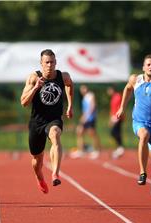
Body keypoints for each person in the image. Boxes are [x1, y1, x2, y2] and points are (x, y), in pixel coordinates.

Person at [116, 54, 151, 195]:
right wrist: (122, 107)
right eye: (148, 64)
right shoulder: (135, 79)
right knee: (144, 135)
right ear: (143, 67)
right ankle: (142, 172)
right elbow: (128, 89)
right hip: (139, 122)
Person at [20, 49, 74, 194]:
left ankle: (55, 173)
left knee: (55, 135)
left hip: (54, 119)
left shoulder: (63, 76)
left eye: (52, 62)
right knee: (37, 161)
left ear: (56, 62)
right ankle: (39, 178)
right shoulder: (33, 78)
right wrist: (36, 88)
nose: (50, 65)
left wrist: (69, 105)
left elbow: (70, 85)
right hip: (36, 122)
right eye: (47, 62)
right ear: (41, 63)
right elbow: (23, 102)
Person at [70, 85, 101, 159]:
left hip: (90, 119)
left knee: (92, 134)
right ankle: (81, 150)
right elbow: (85, 109)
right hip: (85, 118)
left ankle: (96, 150)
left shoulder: (91, 95)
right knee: (79, 132)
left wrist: (87, 116)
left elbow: (92, 106)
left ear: (87, 89)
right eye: (81, 89)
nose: (83, 90)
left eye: (84, 89)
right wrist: (83, 117)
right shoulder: (84, 98)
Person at [107, 86, 124, 159]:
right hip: (114, 117)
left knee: (114, 132)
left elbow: (119, 107)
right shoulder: (113, 97)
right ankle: (119, 147)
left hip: (118, 117)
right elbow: (112, 109)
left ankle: (120, 147)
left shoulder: (118, 96)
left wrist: (116, 118)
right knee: (115, 132)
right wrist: (111, 119)